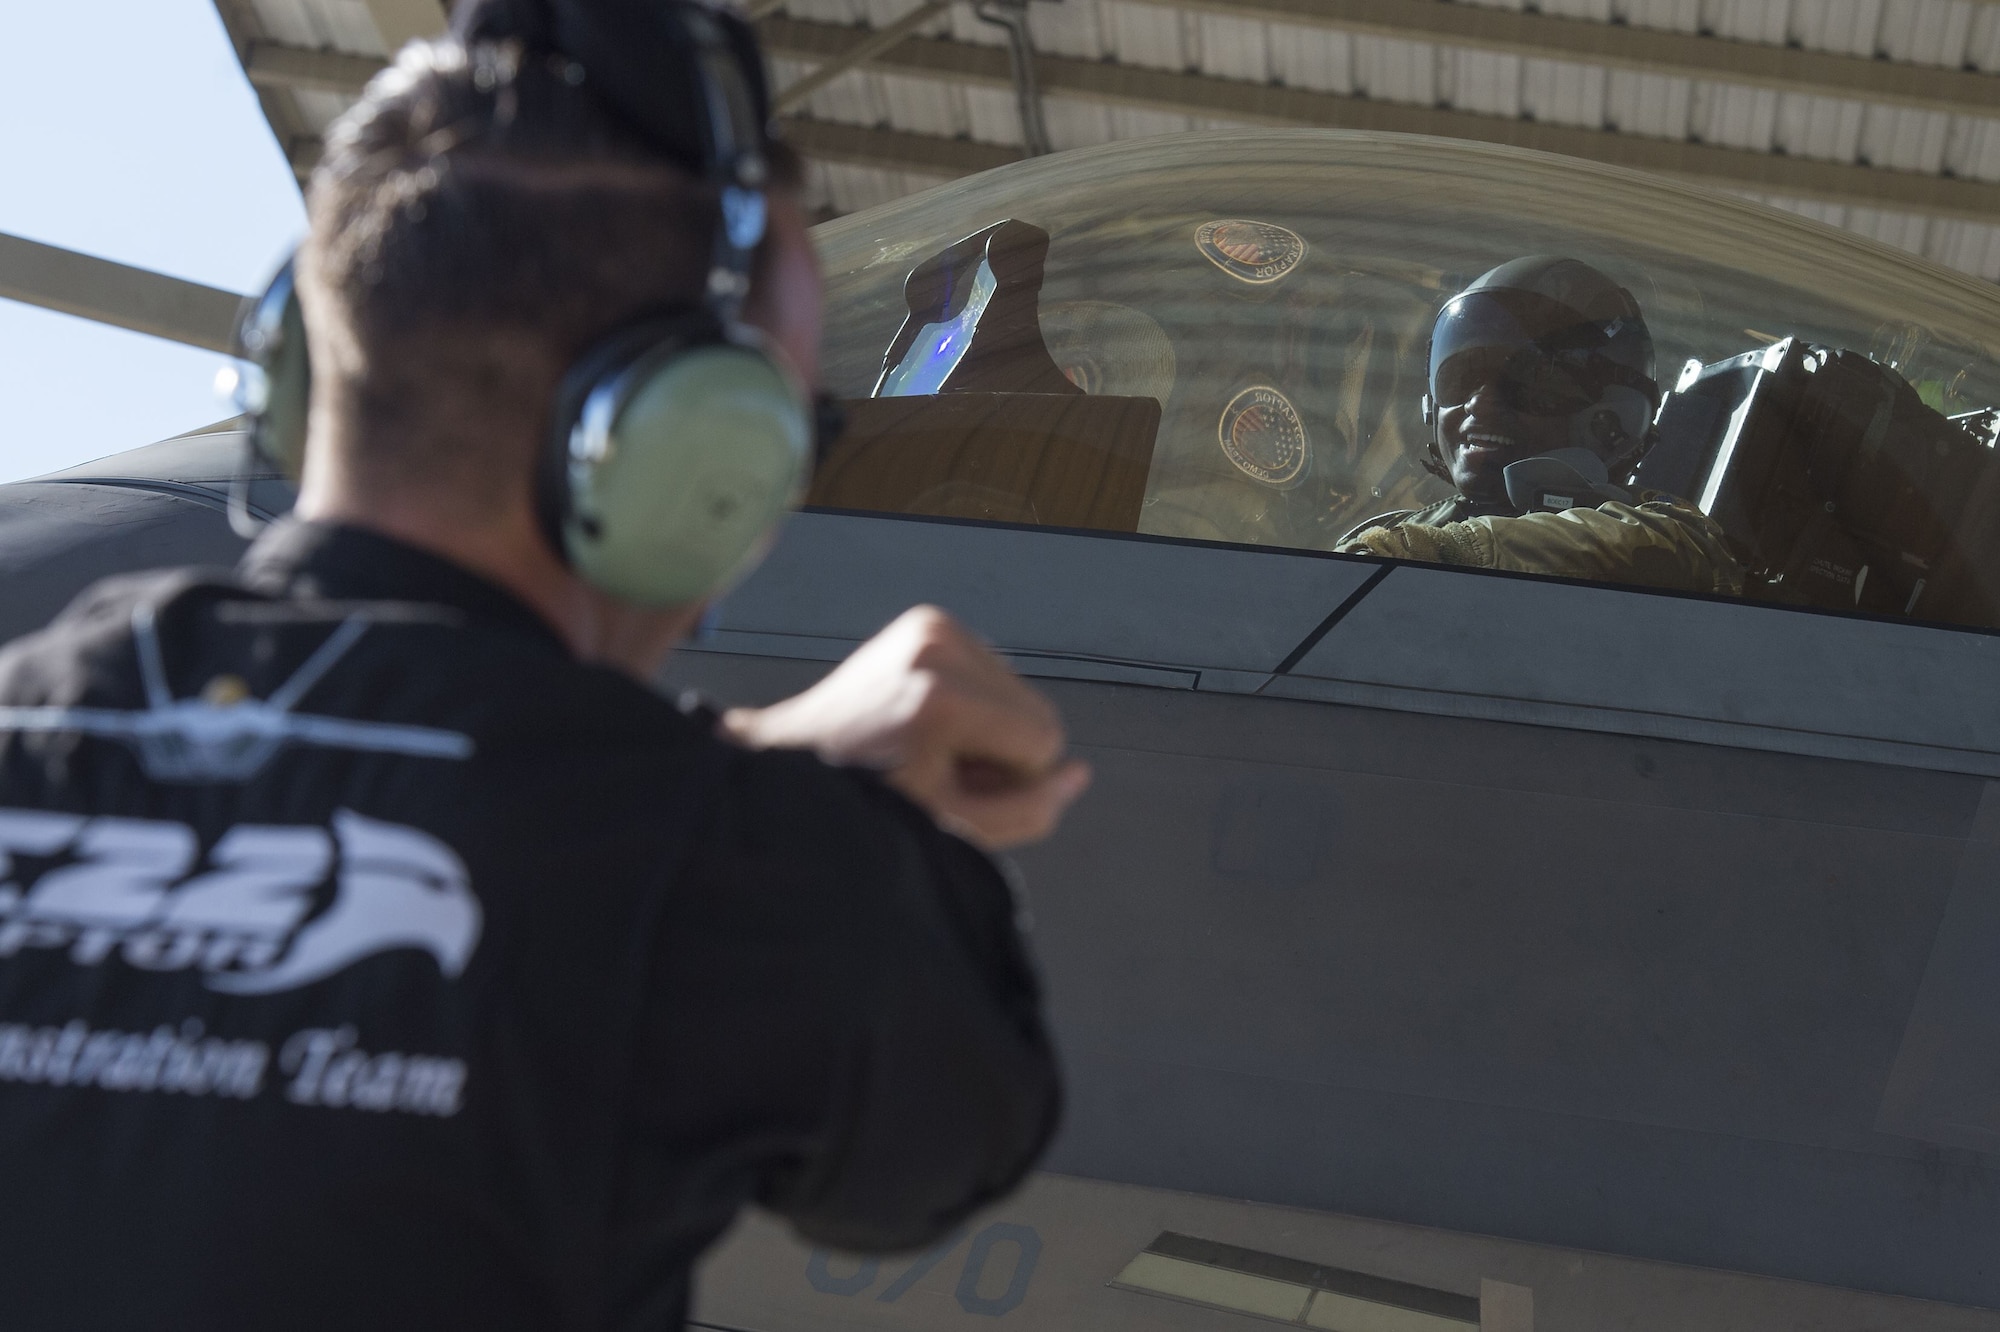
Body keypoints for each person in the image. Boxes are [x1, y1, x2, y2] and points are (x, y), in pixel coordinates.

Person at [0, 2, 1089, 1327]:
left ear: (297, 361)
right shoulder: (754, 872)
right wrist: (773, 791)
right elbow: (933, 1156)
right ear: (706, 445)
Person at [1336, 257, 1743, 596]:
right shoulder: (1399, 535)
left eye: (1529, 382)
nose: (1480, 402)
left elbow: (1648, 550)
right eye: (1462, 376)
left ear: (1611, 418)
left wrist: (1449, 552)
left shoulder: (1674, 538)